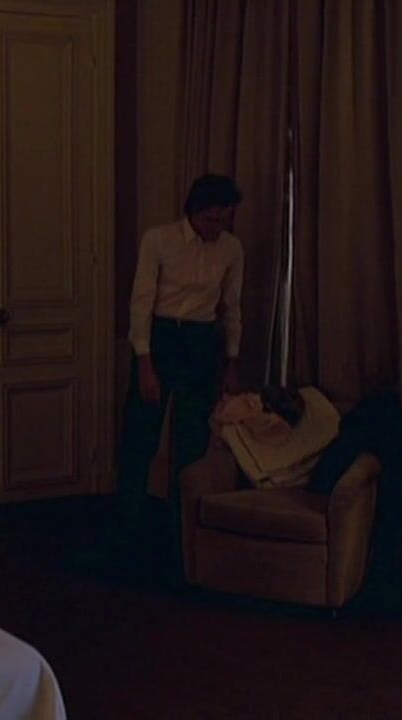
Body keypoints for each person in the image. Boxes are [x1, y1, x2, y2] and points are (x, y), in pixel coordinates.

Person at [116, 174, 245, 582]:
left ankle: (179, 544)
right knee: (140, 438)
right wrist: (145, 362)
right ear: (193, 211)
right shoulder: (159, 240)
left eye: (223, 220)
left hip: (201, 342)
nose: (216, 227)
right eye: (210, 219)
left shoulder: (231, 249)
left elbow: (232, 306)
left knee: (190, 445)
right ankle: (126, 534)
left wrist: (232, 360)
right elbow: (141, 302)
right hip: (162, 337)